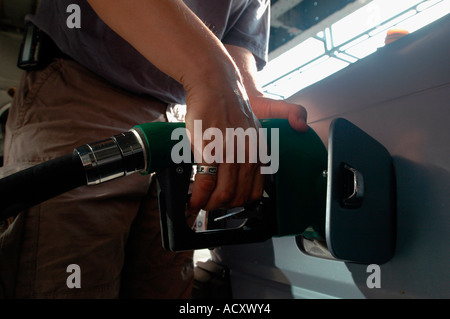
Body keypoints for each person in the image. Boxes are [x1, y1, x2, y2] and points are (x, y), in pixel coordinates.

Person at [0, 0, 308, 298]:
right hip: (84, 84)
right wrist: (211, 76)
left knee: (165, 284)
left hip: (180, 115)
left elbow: (237, 47)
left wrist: (246, 100)